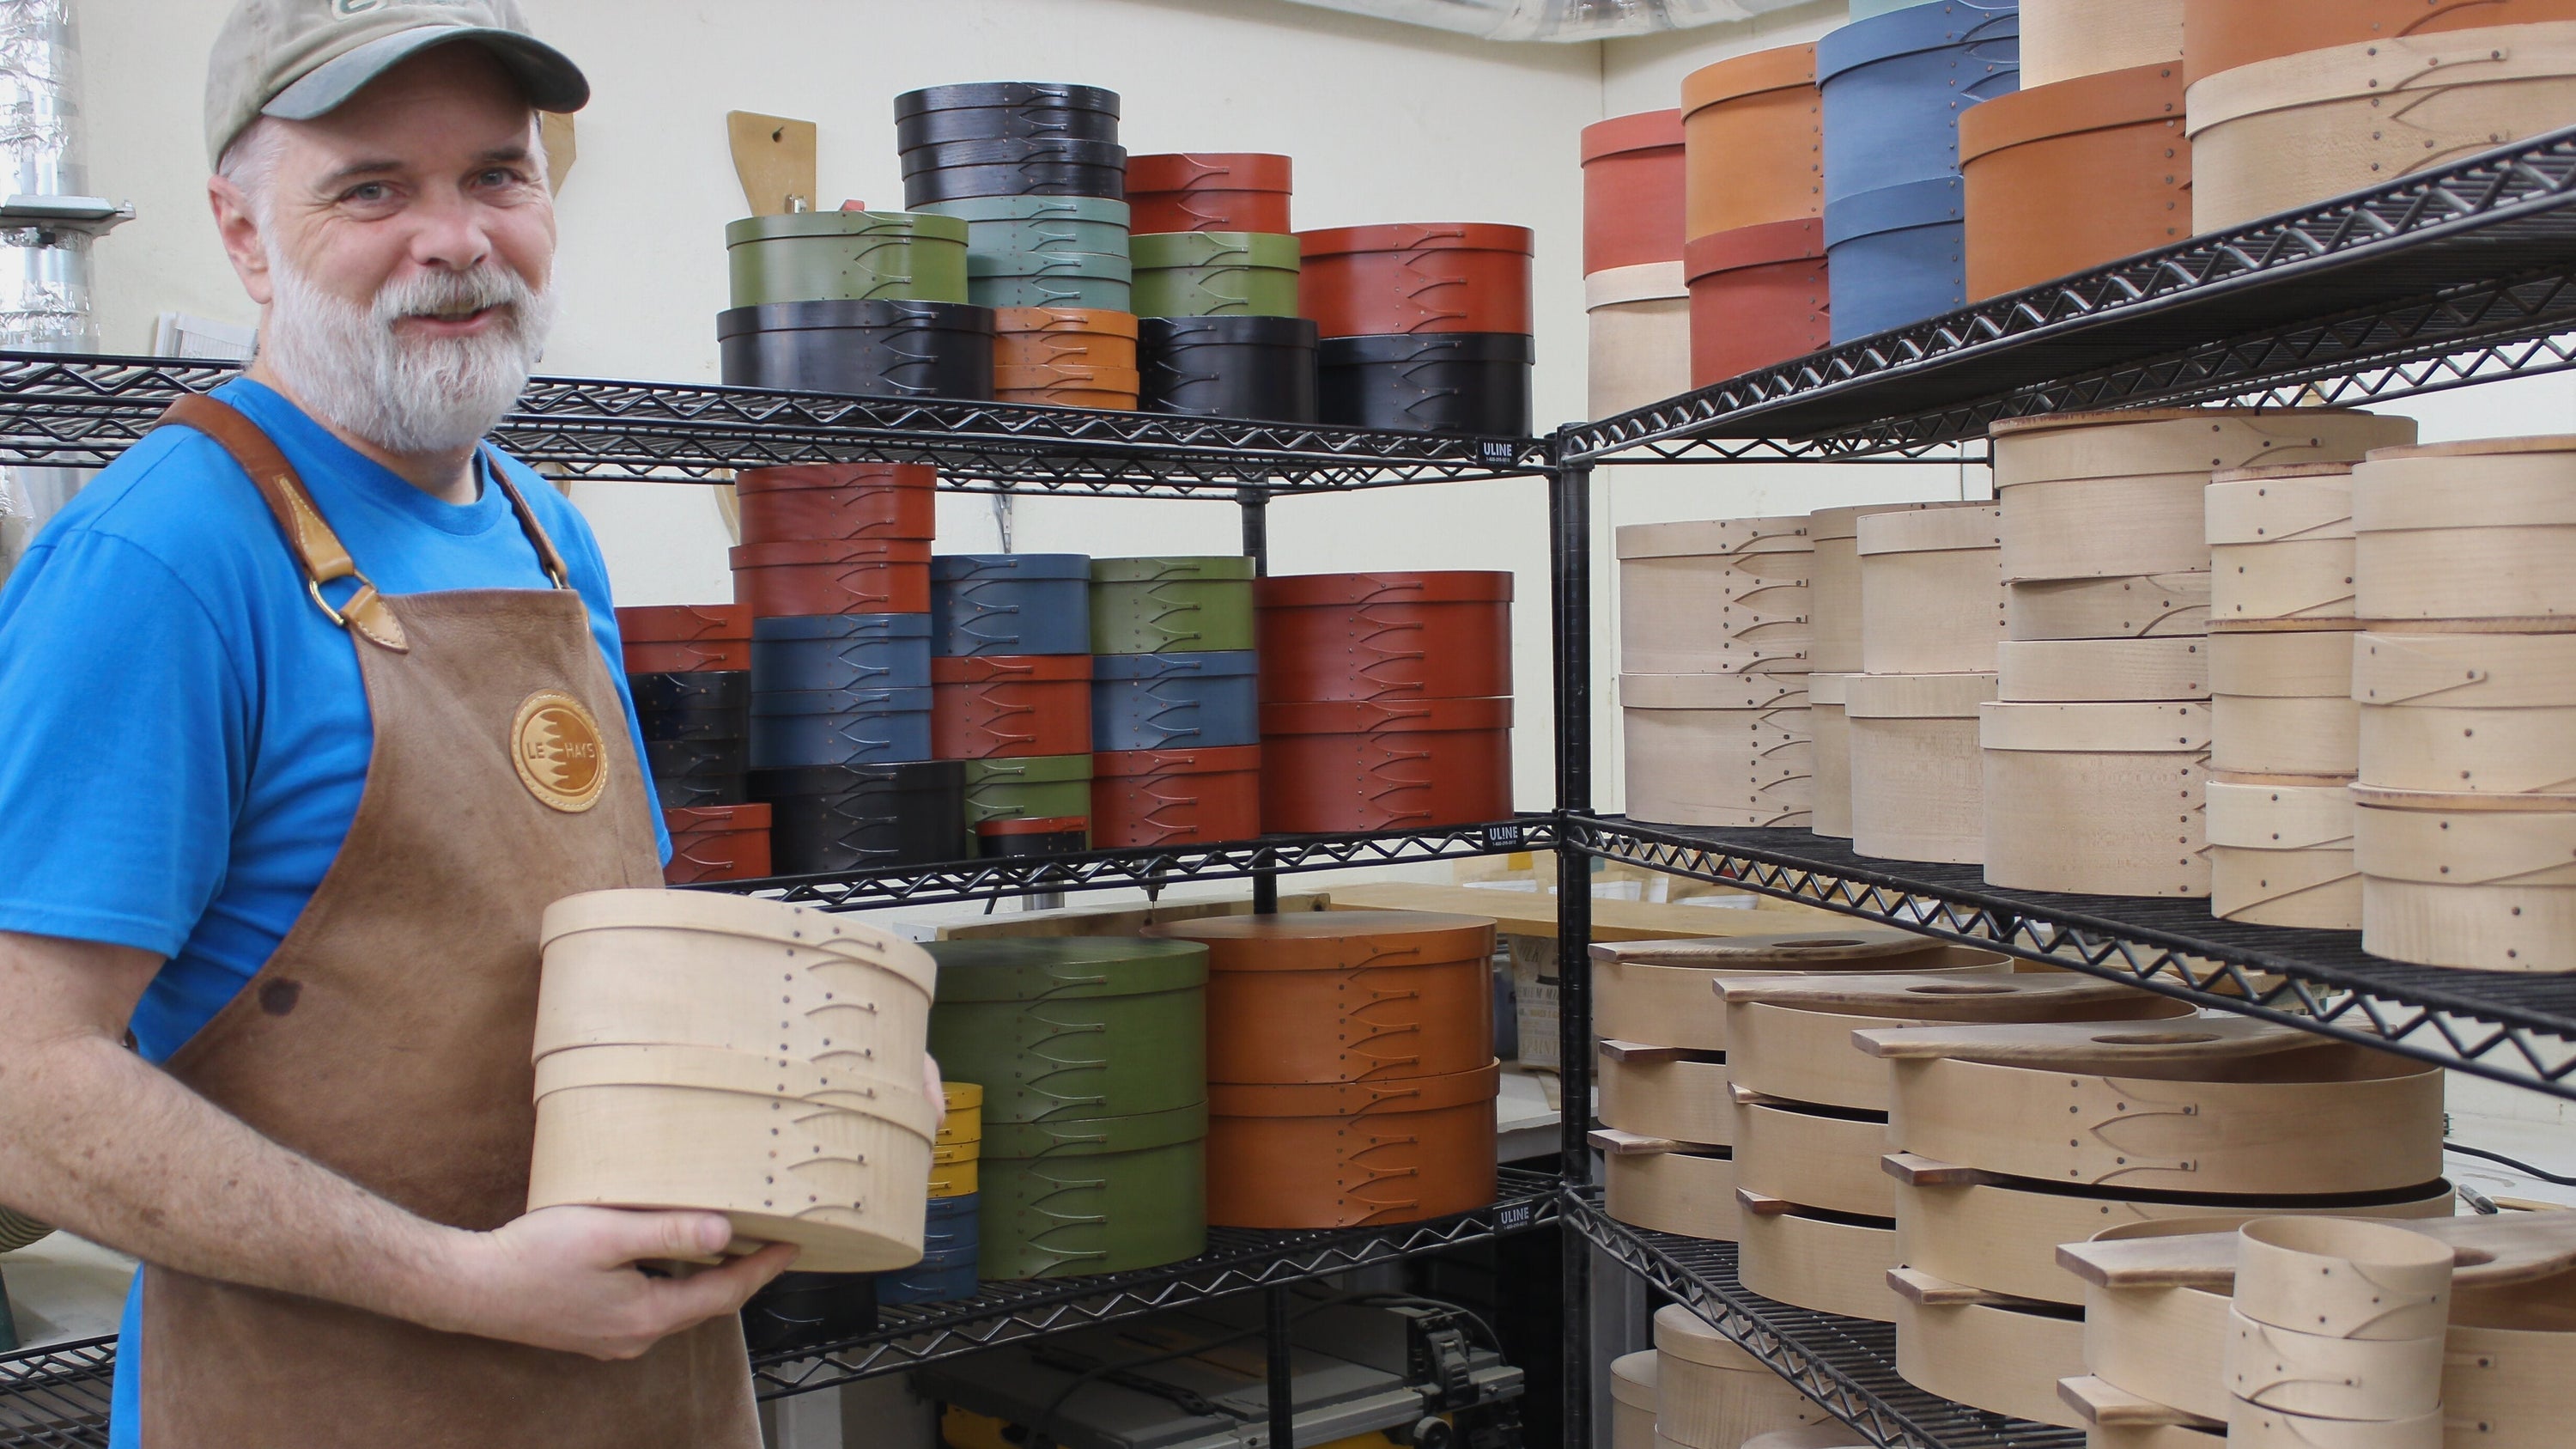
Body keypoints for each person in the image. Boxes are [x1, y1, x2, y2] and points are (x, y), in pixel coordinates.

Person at [0, 3, 802, 1442]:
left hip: (642, 1399)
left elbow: (591, 981)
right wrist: (467, 1282)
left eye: (498, 174)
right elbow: (20, 1080)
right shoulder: (166, 559)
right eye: (373, 188)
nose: (455, 239)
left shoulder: (544, 529)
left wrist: (819, 1080)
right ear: (244, 233)